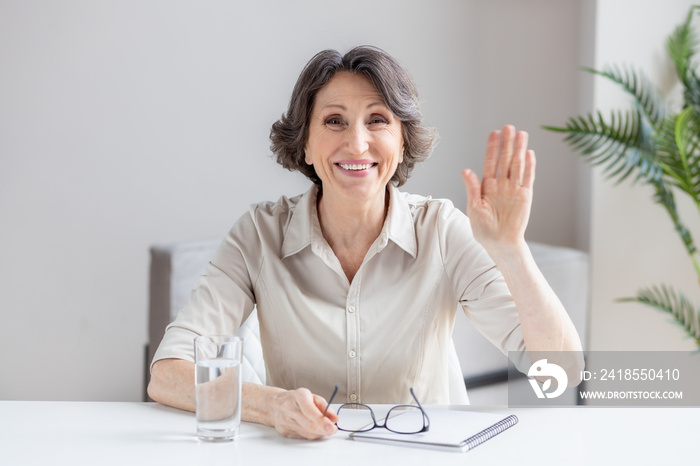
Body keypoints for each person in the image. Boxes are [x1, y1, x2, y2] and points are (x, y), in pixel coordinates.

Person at [147, 45, 583, 440]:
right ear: (306, 147)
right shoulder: (259, 234)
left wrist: (511, 249)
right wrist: (272, 404)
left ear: (402, 139)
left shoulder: (442, 231)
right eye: (334, 121)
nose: (357, 142)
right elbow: (168, 374)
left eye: (378, 120)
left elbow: (560, 374)